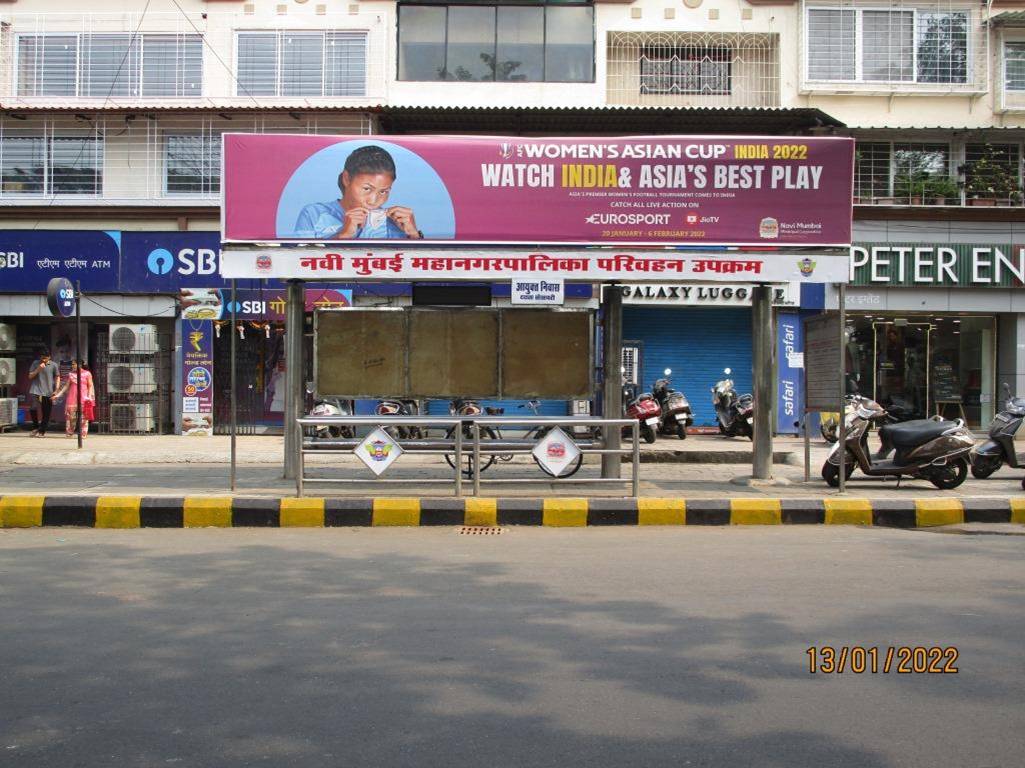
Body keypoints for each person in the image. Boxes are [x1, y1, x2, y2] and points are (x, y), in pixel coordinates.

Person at [293, 145, 424, 240]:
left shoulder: (395, 222)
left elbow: (412, 269)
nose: (373, 201)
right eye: (367, 189)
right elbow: (297, 262)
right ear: (346, 178)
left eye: (383, 191)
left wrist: (413, 235)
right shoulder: (314, 214)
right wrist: (342, 236)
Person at [57, 359, 95, 439]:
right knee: (71, 417)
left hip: (84, 398)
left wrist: (88, 397)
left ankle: (83, 434)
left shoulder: (87, 373)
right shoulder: (71, 374)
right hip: (72, 397)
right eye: (72, 364)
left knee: (84, 418)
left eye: (74, 364)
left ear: (80, 365)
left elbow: (90, 386)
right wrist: (58, 395)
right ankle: (69, 433)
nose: (72, 366)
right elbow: (66, 386)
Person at [28, 348, 60, 437]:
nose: (43, 360)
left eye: (45, 358)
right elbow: (30, 376)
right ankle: (35, 427)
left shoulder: (54, 365)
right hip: (36, 390)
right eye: (42, 358)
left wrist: (56, 389)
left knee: (46, 412)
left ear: (49, 357)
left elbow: (57, 377)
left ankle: (42, 431)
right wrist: (38, 369)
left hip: (48, 391)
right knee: (33, 408)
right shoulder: (35, 363)